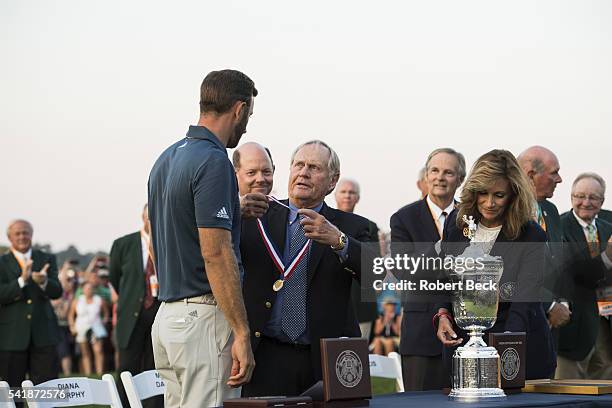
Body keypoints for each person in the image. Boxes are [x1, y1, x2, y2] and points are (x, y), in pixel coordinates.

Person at [148, 69, 256, 408]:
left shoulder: (166, 158)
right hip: (203, 318)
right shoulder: (214, 159)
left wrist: (235, 210)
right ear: (238, 109)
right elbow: (216, 252)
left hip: (168, 317)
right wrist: (241, 331)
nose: (247, 125)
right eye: (249, 115)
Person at [240, 140, 371, 397]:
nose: (303, 173)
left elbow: (375, 273)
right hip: (265, 355)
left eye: (314, 167)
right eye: (298, 165)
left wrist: (338, 240)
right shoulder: (257, 215)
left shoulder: (351, 226)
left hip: (324, 361)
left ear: (332, 181)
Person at [436, 149, 556, 380]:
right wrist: (443, 315)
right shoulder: (456, 222)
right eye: (483, 193)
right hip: (462, 348)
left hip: (519, 347)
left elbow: (524, 301)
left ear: (513, 195)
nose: (489, 203)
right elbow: (445, 277)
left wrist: (503, 348)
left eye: (499, 195)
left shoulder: (531, 235)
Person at [390, 147, 465, 391]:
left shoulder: (471, 218)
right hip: (422, 334)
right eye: (434, 170)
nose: (440, 177)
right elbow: (405, 270)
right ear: (426, 175)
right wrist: (441, 247)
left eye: (448, 172)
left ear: (460, 179)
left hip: (465, 331)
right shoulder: (403, 218)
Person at [556, 173, 612, 379]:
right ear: (571, 197)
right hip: (574, 327)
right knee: (569, 394)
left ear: (602, 201)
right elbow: (572, 274)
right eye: (580, 196)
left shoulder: (609, 228)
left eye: (593, 197)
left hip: (606, 326)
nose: (586, 203)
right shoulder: (559, 227)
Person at [109, 204, 162, 408]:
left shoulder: (168, 240)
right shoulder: (123, 244)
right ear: (142, 217)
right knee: (127, 366)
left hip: (160, 310)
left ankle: (155, 404)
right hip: (132, 314)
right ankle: (123, 404)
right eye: (150, 217)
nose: (153, 221)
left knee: (156, 366)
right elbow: (115, 278)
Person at [0, 220, 62, 387]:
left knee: (47, 391)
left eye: (26, 232)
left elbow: (57, 292)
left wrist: (44, 282)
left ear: (31, 235)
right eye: (18, 233)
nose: (22, 237)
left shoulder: (47, 258)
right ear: (9, 237)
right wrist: (22, 281)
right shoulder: (2, 262)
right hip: (11, 338)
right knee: (12, 392)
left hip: (43, 335)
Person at [518, 146, 569, 333]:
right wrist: (549, 305)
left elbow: (559, 263)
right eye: (554, 173)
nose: (560, 179)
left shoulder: (552, 211)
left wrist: (561, 303)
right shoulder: (506, 212)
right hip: (519, 322)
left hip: (549, 327)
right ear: (531, 175)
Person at [334, 178, 380, 340]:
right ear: (335, 194)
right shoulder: (322, 223)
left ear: (357, 198)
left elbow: (375, 266)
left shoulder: (369, 227)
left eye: (352, 192)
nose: (347, 196)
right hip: (329, 303)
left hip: (361, 305)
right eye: (344, 192)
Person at [68, 281, 109, 375]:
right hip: (81, 328)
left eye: (90, 288)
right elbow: (71, 315)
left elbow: (106, 312)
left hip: (96, 328)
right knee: (85, 352)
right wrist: (72, 326)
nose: (88, 290)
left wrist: (104, 321)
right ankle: (88, 374)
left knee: (98, 351)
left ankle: (100, 373)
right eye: (86, 288)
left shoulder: (99, 300)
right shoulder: (78, 300)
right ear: (83, 290)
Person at [233, 141, 274, 218]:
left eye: (266, 172)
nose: (260, 179)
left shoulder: (286, 214)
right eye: (251, 172)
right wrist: (236, 210)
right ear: (235, 175)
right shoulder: (222, 210)